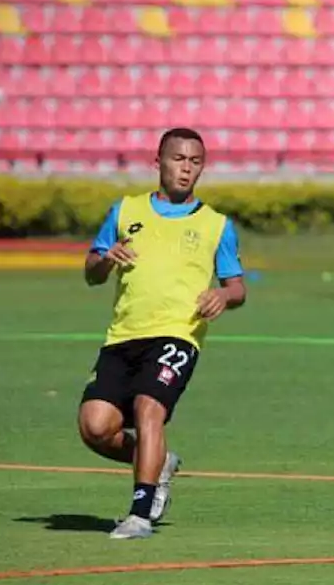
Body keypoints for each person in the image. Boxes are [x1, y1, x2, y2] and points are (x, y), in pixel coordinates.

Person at [78, 127, 247, 540]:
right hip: (123, 335)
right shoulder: (125, 211)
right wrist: (106, 260)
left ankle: (139, 513)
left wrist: (223, 296)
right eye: (178, 159)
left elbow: (238, 287)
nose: (186, 169)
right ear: (158, 162)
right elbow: (92, 272)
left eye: (195, 162)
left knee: (147, 406)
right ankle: (159, 461)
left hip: (178, 334)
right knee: (95, 428)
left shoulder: (216, 225)